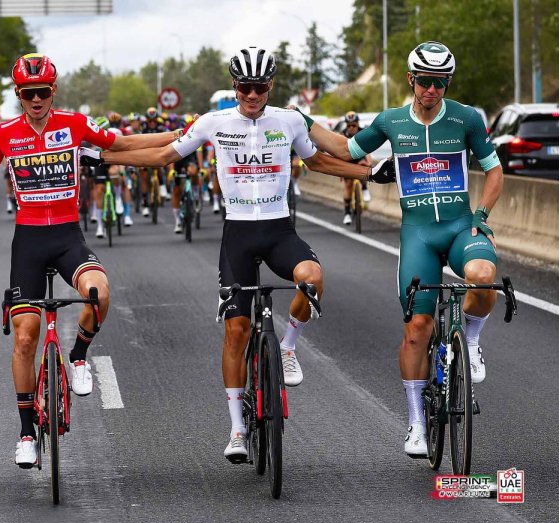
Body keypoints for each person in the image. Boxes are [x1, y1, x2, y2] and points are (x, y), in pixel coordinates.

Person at [88, 47, 390, 463]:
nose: (252, 94)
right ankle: (236, 428)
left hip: (279, 229)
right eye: (245, 87)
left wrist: (370, 171)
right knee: (236, 329)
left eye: (260, 87)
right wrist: (103, 155)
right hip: (238, 235)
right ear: (235, 87)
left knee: (313, 278)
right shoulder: (214, 122)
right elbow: (161, 154)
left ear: (270, 87)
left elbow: (321, 160)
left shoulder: (288, 120)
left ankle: (286, 348)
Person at [0, 53, 182, 468]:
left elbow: (122, 145)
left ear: (53, 91)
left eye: (43, 91)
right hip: (28, 239)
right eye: (28, 93)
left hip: (67, 235)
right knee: (25, 336)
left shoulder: (75, 125)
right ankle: (26, 432)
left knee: (99, 293)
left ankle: (78, 355)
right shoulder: (6, 133)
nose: (36, 99)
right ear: (18, 95)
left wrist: (179, 137)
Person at [300, 41, 502, 457]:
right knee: (416, 330)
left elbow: (494, 169)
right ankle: (415, 422)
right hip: (419, 235)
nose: (432, 90)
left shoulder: (466, 118)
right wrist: (301, 122)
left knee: (483, 278)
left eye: (440, 82)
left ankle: (474, 341)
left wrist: (481, 214)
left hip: (461, 225)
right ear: (411, 79)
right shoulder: (391, 122)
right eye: (425, 81)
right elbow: (346, 151)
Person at [339, 111, 373, 225]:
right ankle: (347, 213)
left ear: (358, 124)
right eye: (349, 125)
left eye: (354, 125)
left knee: (363, 166)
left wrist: (369, 163)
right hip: (347, 160)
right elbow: (337, 153)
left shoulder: (363, 133)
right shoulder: (342, 135)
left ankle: (364, 188)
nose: (351, 128)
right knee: (348, 185)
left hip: (360, 158)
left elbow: (368, 151)